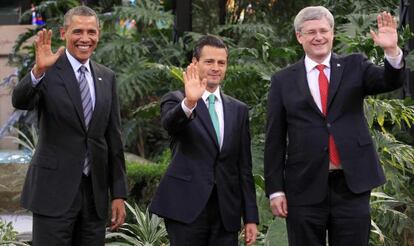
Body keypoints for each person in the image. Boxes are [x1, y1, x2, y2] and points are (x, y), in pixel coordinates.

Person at [264, 6, 404, 246]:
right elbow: (274, 139)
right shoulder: (282, 80)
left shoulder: (355, 65)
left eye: (323, 30)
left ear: (332, 33)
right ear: (300, 37)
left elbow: (388, 81)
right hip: (304, 185)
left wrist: (391, 51)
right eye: (310, 32)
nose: (318, 37)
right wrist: (275, 190)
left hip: (351, 184)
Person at [12, 6, 127, 246]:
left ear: (99, 34)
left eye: (91, 32)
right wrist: (38, 71)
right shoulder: (48, 69)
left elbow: (113, 139)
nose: (85, 39)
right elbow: (20, 101)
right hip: (53, 194)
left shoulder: (107, 77)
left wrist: (118, 193)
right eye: (78, 31)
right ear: (64, 33)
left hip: (94, 197)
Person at [149, 35, 259, 246]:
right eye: (209, 62)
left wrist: (251, 217)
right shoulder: (176, 99)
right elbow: (170, 125)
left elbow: (243, 167)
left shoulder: (238, 110)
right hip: (186, 208)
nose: (216, 68)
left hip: (226, 212)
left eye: (221, 63)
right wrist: (190, 101)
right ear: (195, 63)